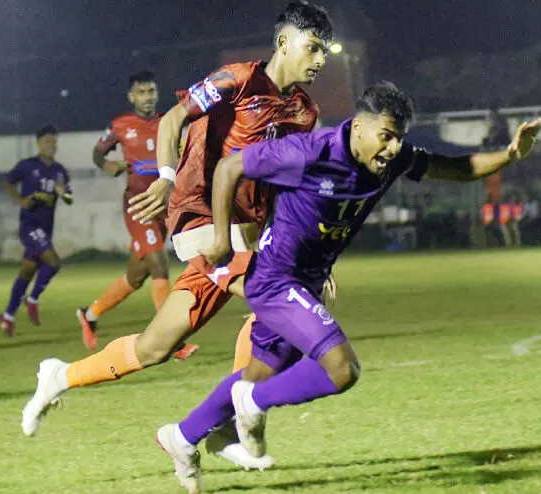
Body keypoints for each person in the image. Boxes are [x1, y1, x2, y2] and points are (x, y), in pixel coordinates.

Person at [153, 82, 541, 493]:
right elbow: (229, 168)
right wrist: (219, 240)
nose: (393, 147)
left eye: (400, 138)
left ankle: (180, 436)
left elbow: (456, 168)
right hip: (274, 280)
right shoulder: (311, 152)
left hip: (306, 282)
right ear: (359, 127)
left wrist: (511, 154)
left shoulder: (392, 160)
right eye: (386, 136)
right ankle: (252, 403)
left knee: (256, 373)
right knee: (341, 369)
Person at [21, 0, 334, 472]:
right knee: (276, 299)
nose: (319, 61)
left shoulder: (305, 112)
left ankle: (59, 376)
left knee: (155, 346)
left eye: (324, 53)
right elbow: (172, 120)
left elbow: (291, 187)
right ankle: (228, 421)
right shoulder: (237, 80)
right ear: (284, 42)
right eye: (313, 48)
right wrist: (166, 176)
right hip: (200, 217)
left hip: (247, 231)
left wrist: (314, 256)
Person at [76, 70, 195, 357]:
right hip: (137, 205)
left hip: (162, 207)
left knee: (136, 276)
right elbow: (97, 153)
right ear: (131, 96)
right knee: (159, 264)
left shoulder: (169, 121)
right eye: (141, 92)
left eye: (151, 91)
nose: (147, 97)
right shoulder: (120, 125)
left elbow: (181, 155)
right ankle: (170, 340)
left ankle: (89, 315)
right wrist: (108, 166)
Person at [0, 125, 72, 336]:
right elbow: (7, 179)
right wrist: (20, 200)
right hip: (29, 226)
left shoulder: (60, 171)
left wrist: (62, 193)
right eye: (47, 141)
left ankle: (8, 317)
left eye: (54, 141)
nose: (51, 145)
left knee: (27, 272)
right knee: (54, 263)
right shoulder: (28, 165)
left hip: (45, 229)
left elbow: (70, 198)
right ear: (38, 144)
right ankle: (32, 299)